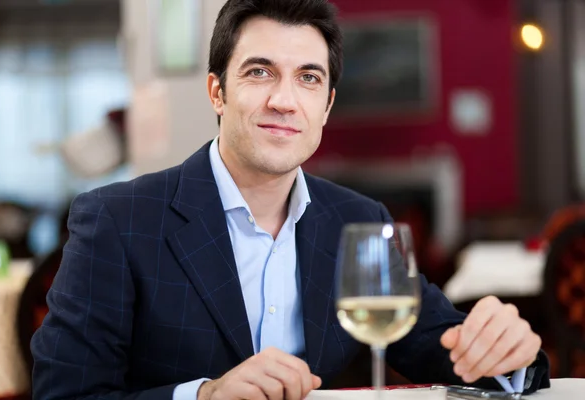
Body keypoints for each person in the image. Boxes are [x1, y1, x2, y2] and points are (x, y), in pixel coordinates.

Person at [30, 1, 550, 399]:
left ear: (325, 107)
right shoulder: (117, 220)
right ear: (217, 92)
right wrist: (205, 395)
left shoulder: (358, 220)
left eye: (308, 78)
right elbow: (65, 393)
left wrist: (503, 354)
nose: (284, 100)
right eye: (259, 72)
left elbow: (445, 348)